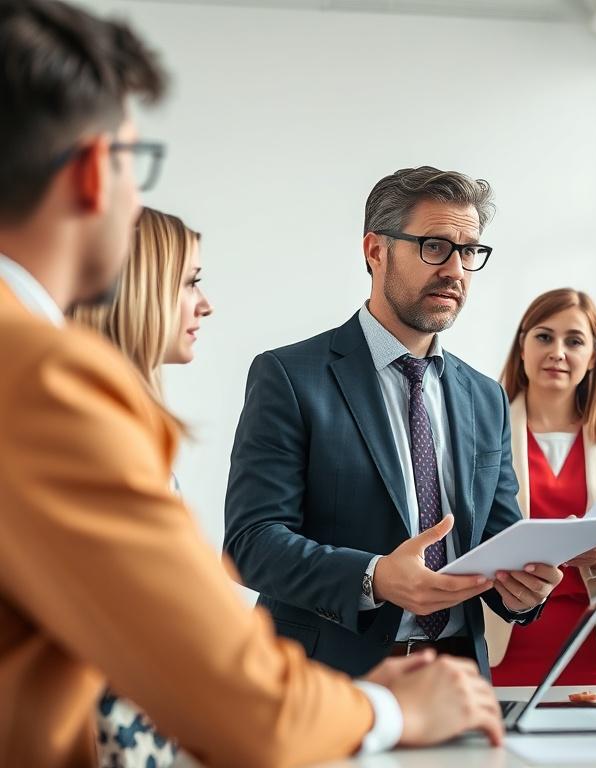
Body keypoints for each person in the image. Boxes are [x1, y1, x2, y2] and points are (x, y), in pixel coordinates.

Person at [0, 3, 502, 766]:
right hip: (318, 700)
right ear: (94, 173)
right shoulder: (40, 376)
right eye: (140, 164)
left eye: (469, 251)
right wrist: (390, 706)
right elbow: (207, 665)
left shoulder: (481, 393)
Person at [223, 167, 562, 679]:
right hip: (326, 681)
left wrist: (522, 591)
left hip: (456, 679)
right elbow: (252, 543)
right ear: (375, 251)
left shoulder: (485, 396)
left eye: (469, 252)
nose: (455, 270)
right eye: (434, 246)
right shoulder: (290, 376)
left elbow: (498, 540)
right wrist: (374, 577)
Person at [71, 207, 212, 767]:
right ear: (139, 290)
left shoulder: (130, 433)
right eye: (190, 282)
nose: (205, 303)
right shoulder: (100, 441)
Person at [485, 288, 596, 685]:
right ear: (522, 346)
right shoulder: (481, 432)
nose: (557, 351)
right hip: (503, 643)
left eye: (574, 341)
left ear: (593, 356)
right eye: (544, 336)